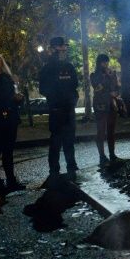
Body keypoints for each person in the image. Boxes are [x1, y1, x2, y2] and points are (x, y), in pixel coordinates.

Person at [0, 50, 26, 196]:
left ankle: (11, 180)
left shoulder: (8, 78)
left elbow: (14, 97)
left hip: (10, 117)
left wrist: (19, 99)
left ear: (2, 60)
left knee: (8, 151)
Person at [39, 36, 79, 180]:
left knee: (70, 140)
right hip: (56, 110)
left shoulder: (69, 66)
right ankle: (54, 170)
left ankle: (72, 166)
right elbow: (43, 89)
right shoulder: (47, 68)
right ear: (52, 49)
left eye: (64, 47)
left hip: (69, 109)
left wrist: (73, 99)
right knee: (56, 141)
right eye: (60, 47)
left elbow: (75, 85)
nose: (63, 49)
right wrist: (56, 98)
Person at [90, 53, 122, 166]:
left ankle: (112, 154)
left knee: (111, 131)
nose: (106, 64)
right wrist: (106, 76)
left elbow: (118, 87)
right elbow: (97, 87)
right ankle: (102, 156)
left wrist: (116, 92)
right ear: (98, 63)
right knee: (101, 131)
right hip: (100, 105)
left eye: (107, 61)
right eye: (103, 62)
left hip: (111, 104)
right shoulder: (94, 75)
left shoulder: (112, 74)